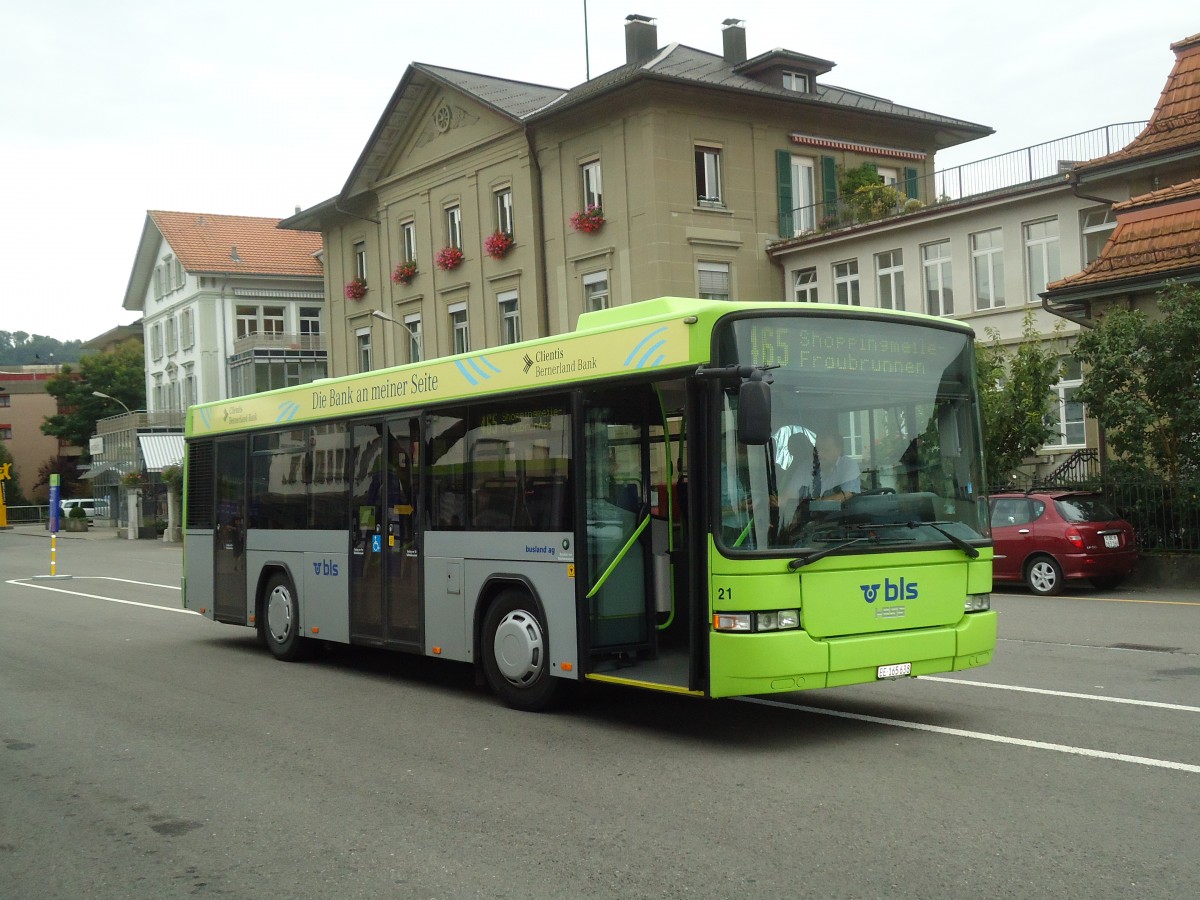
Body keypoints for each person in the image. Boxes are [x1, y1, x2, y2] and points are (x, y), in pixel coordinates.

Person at [812, 430, 861, 502]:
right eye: (817, 450)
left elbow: (847, 494)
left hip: (840, 513)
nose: (819, 454)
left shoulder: (848, 464)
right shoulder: (808, 466)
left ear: (839, 450)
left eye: (825, 450)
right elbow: (790, 493)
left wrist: (813, 504)